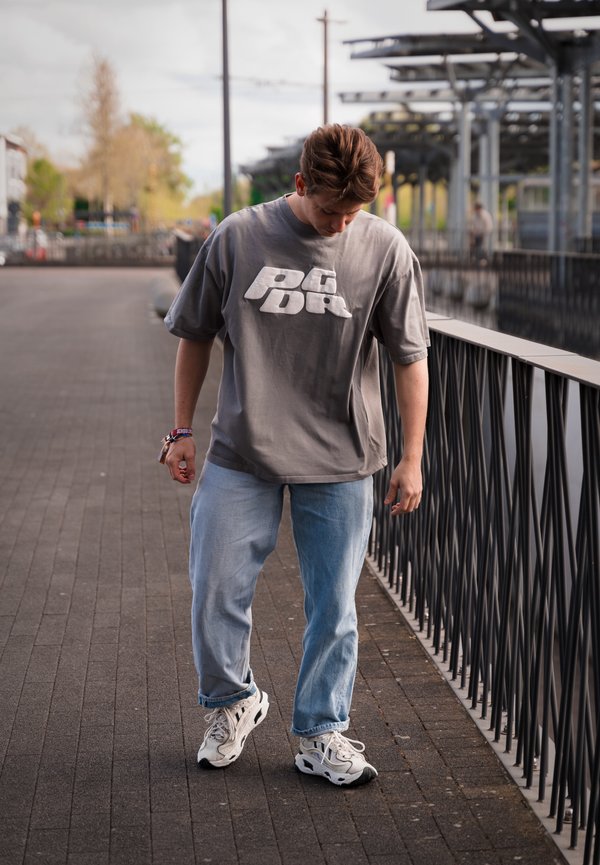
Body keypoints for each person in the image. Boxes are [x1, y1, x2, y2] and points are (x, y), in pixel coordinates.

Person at [161, 124, 429, 788]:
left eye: (354, 212)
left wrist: (413, 455)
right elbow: (193, 334)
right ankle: (232, 703)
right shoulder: (238, 237)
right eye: (331, 209)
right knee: (215, 588)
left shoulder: (385, 249)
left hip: (343, 458)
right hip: (242, 450)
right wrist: (180, 429)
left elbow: (409, 358)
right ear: (300, 184)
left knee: (333, 606)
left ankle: (320, 731)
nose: (341, 223)